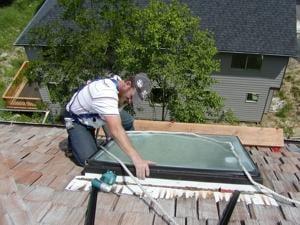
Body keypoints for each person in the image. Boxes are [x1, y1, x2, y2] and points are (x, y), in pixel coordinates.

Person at [64, 73, 153, 179]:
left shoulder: (119, 85)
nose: (130, 102)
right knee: (89, 160)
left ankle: (129, 146)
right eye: (131, 97)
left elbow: (112, 123)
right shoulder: (105, 93)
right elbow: (115, 129)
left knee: (128, 121)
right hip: (78, 120)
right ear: (128, 84)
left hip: (96, 113)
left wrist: (111, 138)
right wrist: (137, 159)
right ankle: (74, 140)